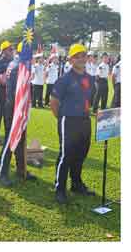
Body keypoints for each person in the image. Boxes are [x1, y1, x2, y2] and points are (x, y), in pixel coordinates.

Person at [50, 43, 95, 204]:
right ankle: (59, 188)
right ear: (71, 59)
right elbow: (54, 102)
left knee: (81, 153)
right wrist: (63, 119)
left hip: (84, 120)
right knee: (66, 155)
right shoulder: (64, 79)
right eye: (77, 56)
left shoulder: (90, 78)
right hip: (68, 121)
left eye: (83, 55)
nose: (81, 58)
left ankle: (76, 184)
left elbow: (89, 99)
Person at [0, 46, 37, 187]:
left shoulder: (16, 63)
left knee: (21, 139)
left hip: (17, 106)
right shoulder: (18, 66)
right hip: (14, 107)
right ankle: (2, 171)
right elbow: (16, 92)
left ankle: (21, 169)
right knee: (11, 139)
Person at [0, 41, 14, 144]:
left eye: (12, 49)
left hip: (10, 91)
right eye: (10, 49)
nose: (12, 51)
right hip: (0, 90)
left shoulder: (13, 61)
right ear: (4, 51)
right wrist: (2, 84)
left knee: (8, 114)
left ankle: (7, 136)